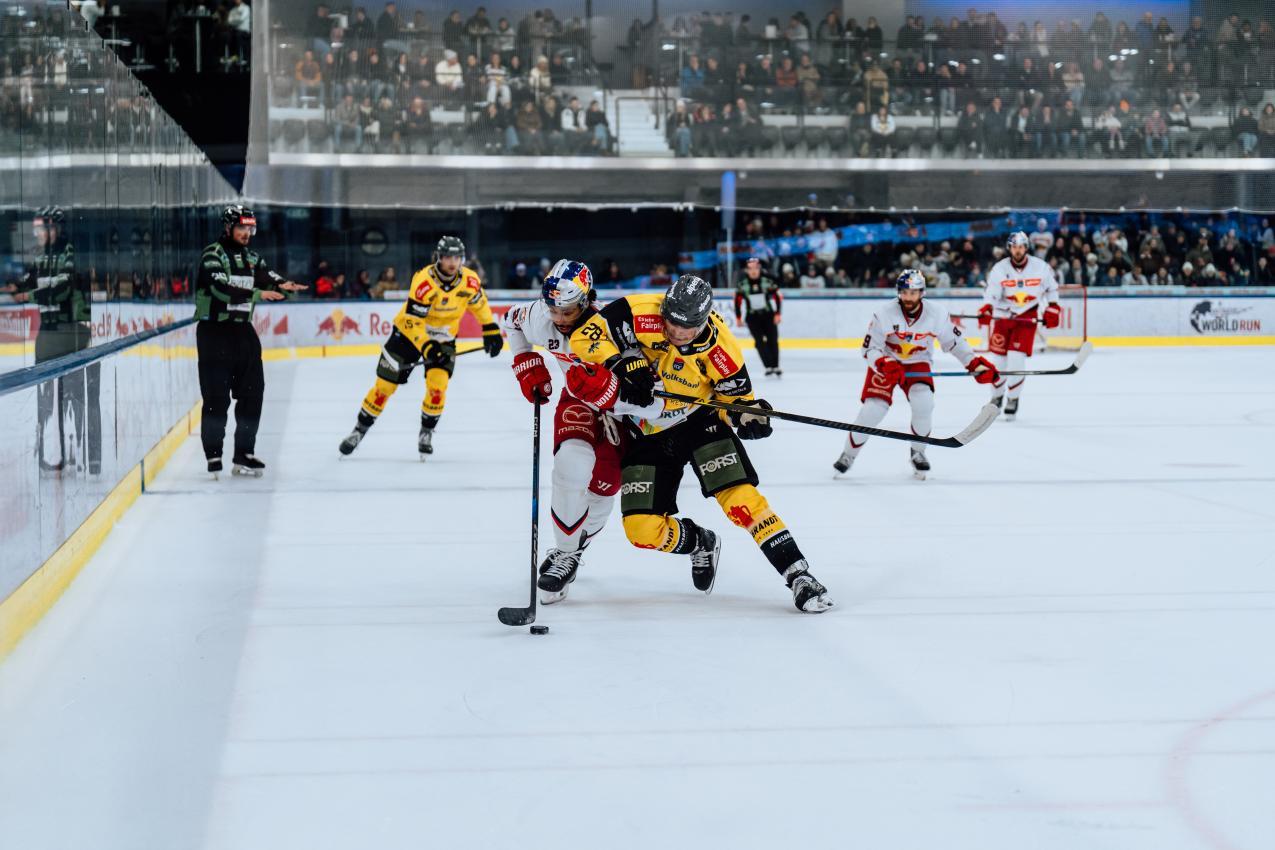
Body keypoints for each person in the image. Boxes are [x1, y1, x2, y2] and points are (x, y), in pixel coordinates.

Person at [566, 274, 834, 614]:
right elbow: (583, 337)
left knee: (740, 499)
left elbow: (735, 404)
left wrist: (748, 418)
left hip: (698, 422)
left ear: (704, 320)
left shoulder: (723, 351)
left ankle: (799, 574)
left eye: (686, 328)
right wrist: (619, 361)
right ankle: (698, 542)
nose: (675, 333)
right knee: (640, 529)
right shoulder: (637, 312)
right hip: (647, 430)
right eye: (670, 323)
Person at [500, 260, 652, 603]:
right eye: (553, 309)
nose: (558, 319)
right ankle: (565, 553)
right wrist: (526, 363)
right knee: (570, 466)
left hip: (620, 410)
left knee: (605, 486)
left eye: (566, 311)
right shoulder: (541, 316)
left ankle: (575, 550)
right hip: (577, 398)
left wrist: (623, 390)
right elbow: (511, 320)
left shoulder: (613, 327)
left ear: (585, 301)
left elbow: (642, 384)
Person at [337, 236, 503, 459]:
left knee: (438, 388)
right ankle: (358, 431)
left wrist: (490, 328)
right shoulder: (424, 281)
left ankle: (426, 432)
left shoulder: (470, 281)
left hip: (444, 339)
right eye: (447, 257)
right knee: (383, 388)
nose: (452, 263)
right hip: (407, 336)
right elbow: (414, 321)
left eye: (457, 257)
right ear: (438, 258)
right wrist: (426, 345)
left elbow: (480, 304)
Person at [833, 271, 999, 479]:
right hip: (888, 362)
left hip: (918, 362)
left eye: (913, 292)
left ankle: (918, 452)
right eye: (905, 292)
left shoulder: (937, 313)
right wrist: (882, 362)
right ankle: (848, 454)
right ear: (898, 292)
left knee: (924, 404)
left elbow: (954, 342)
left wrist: (973, 363)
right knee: (873, 410)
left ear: (922, 292)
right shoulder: (884, 313)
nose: (909, 297)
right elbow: (869, 349)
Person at [194, 205, 306, 477]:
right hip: (214, 332)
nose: (247, 233)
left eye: (251, 229)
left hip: (243, 332)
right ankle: (213, 454)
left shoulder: (252, 258)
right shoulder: (213, 255)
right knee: (216, 397)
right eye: (242, 228)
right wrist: (258, 294)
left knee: (253, 392)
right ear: (228, 227)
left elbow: (268, 278)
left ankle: (244, 453)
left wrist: (284, 287)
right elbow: (220, 289)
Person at [3, 206, 99, 475]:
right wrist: (14, 288)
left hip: (71, 332)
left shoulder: (69, 255)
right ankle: (51, 451)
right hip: (50, 331)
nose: (38, 235)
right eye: (36, 230)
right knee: (47, 397)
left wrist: (28, 296)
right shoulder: (42, 257)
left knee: (74, 396)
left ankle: (77, 453)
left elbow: (60, 290)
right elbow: (26, 282)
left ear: (54, 229)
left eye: (41, 229)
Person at [976, 231, 1062, 421]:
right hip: (1003, 318)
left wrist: (1053, 307)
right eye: (1014, 247)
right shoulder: (1000, 268)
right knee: (997, 361)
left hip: (1026, 318)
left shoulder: (1040, 267)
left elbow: (1052, 288)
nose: (1018, 250)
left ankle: (1013, 398)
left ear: (1026, 247)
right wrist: (988, 307)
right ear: (1009, 248)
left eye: (1021, 247)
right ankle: (997, 396)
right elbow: (992, 292)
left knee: (1016, 359)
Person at [733, 257, 782, 376]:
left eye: (755, 268)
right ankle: (768, 366)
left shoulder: (767, 281)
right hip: (752, 317)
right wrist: (738, 317)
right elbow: (737, 301)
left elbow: (777, 296)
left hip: (768, 315)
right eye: (750, 269)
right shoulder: (742, 285)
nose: (753, 271)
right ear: (746, 270)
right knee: (759, 342)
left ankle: (775, 366)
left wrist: (777, 313)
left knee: (773, 340)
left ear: (759, 268)